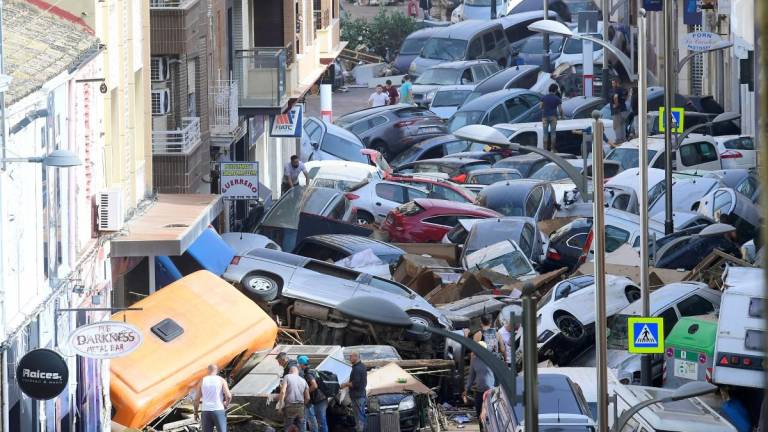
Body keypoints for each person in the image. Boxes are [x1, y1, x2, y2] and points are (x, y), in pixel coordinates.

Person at [462, 342, 494, 424]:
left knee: (488, 415)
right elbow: (471, 377)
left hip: (490, 391)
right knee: (479, 414)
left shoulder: (491, 359)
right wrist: (466, 389)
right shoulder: (474, 360)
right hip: (479, 391)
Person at [194, 364, 232, 432]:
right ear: (217, 370)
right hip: (218, 410)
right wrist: (226, 404)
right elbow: (229, 396)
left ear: (208, 371)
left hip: (206, 411)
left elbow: (196, 399)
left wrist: (196, 413)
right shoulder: (221, 380)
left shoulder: (202, 381)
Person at [298, 356, 329, 432]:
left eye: (299, 364)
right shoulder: (313, 370)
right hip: (322, 398)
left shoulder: (308, 373)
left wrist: (306, 392)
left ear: (302, 364)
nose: (298, 366)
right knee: (321, 420)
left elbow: (314, 385)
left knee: (321, 421)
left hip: (319, 399)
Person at [341, 351, 367, 431]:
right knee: (361, 415)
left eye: (351, 356)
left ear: (356, 357)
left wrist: (344, 385)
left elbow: (355, 383)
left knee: (359, 417)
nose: (349, 358)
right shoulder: (362, 366)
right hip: (361, 394)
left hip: (357, 396)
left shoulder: (357, 368)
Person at [280, 366, 310, 432]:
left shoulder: (287, 376)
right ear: (298, 372)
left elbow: (282, 391)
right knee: (301, 428)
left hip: (290, 406)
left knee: (287, 427)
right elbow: (308, 398)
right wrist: (302, 405)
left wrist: (280, 405)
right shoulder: (303, 380)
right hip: (301, 407)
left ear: (290, 371)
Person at [540, 83, 564, 152]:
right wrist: (562, 117)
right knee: (553, 133)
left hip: (544, 117)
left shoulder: (544, 97)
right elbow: (560, 110)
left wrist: (545, 108)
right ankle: (552, 149)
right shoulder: (557, 98)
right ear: (556, 90)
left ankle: (545, 150)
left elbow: (540, 107)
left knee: (545, 133)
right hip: (553, 117)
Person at [611, 79, 628, 144]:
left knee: (616, 126)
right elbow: (626, 96)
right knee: (622, 125)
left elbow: (615, 97)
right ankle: (623, 139)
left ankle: (618, 139)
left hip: (618, 111)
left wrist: (616, 105)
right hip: (624, 110)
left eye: (613, 83)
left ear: (617, 83)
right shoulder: (623, 89)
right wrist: (622, 102)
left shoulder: (616, 89)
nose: (612, 85)